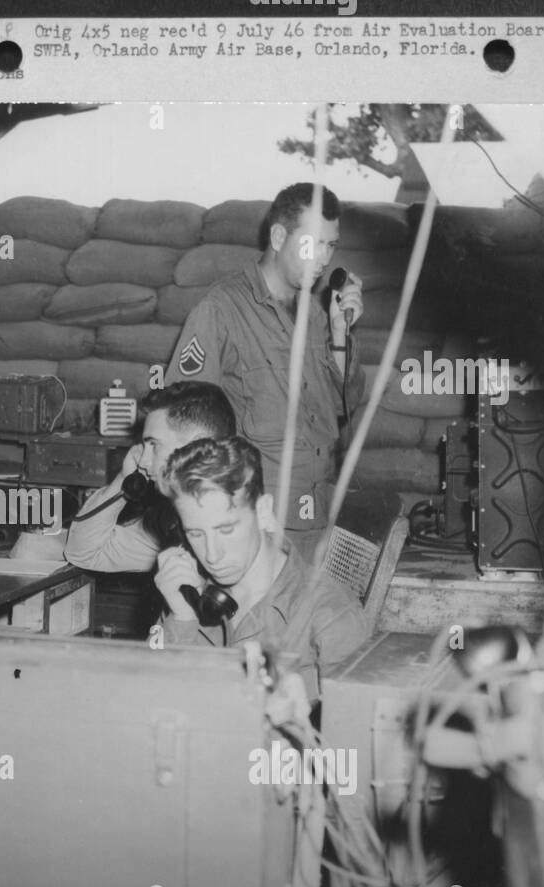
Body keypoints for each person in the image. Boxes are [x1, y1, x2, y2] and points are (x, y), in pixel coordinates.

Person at [165, 183, 366, 561]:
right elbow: (183, 425)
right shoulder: (221, 310)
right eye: (312, 244)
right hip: (257, 524)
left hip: (317, 516)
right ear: (278, 236)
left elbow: (344, 404)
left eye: (330, 245)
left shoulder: (321, 315)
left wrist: (341, 333)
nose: (323, 258)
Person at [152, 436, 371, 702]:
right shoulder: (187, 587)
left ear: (264, 511)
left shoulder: (332, 616)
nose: (212, 554)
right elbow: (155, 700)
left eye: (226, 529)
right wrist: (182, 618)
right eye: (195, 534)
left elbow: (348, 734)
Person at [64, 381, 235, 573]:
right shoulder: (169, 522)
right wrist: (123, 480)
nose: (142, 462)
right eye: (143, 447)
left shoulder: (245, 520)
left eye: (154, 445)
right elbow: (83, 554)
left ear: (197, 447)